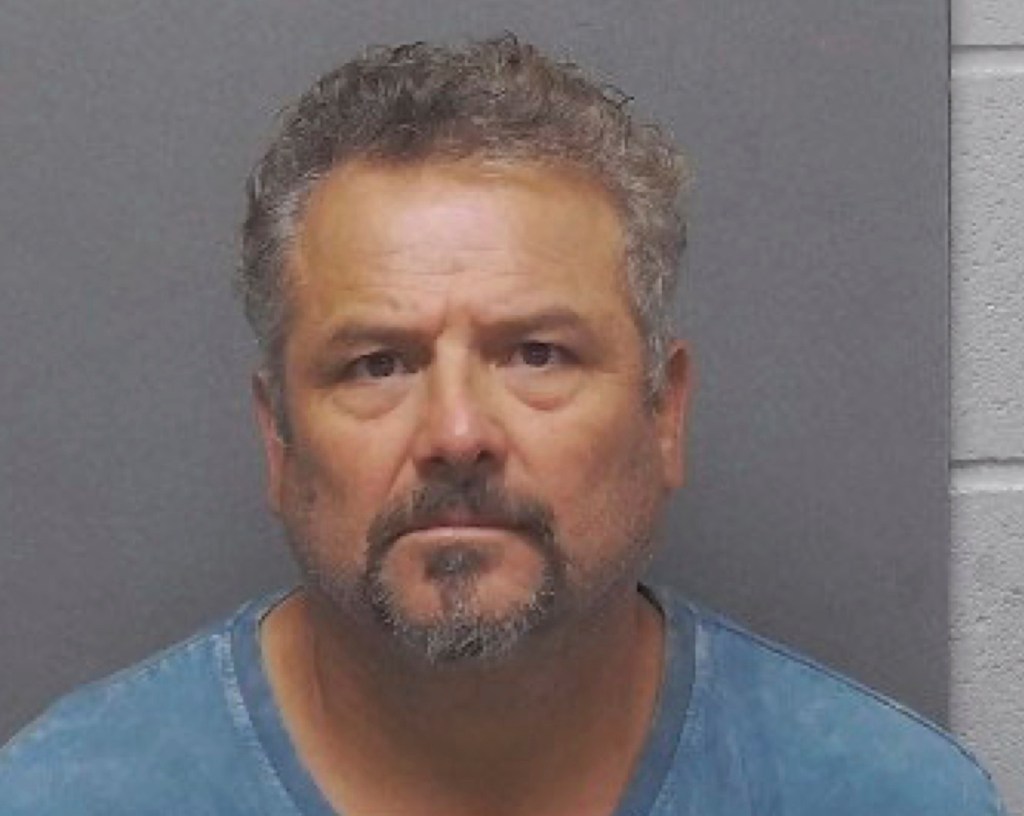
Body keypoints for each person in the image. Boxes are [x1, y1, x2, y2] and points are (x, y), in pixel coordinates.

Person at [0, 34, 1004, 816]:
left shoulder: (883, 796)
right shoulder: (67, 797)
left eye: (537, 354)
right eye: (378, 364)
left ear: (664, 414)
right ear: (278, 439)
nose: (457, 433)